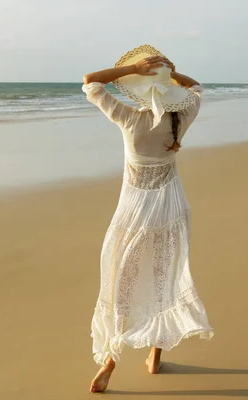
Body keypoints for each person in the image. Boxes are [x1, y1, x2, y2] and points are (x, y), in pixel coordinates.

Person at [82, 45, 214, 393]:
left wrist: (135, 70)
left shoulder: (129, 118)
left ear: (138, 90)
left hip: (134, 211)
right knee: (163, 277)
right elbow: (197, 87)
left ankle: (111, 360)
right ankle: (155, 355)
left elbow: (91, 83)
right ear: (170, 90)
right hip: (172, 209)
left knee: (122, 280)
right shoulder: (180, 119)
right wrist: (171, 74)